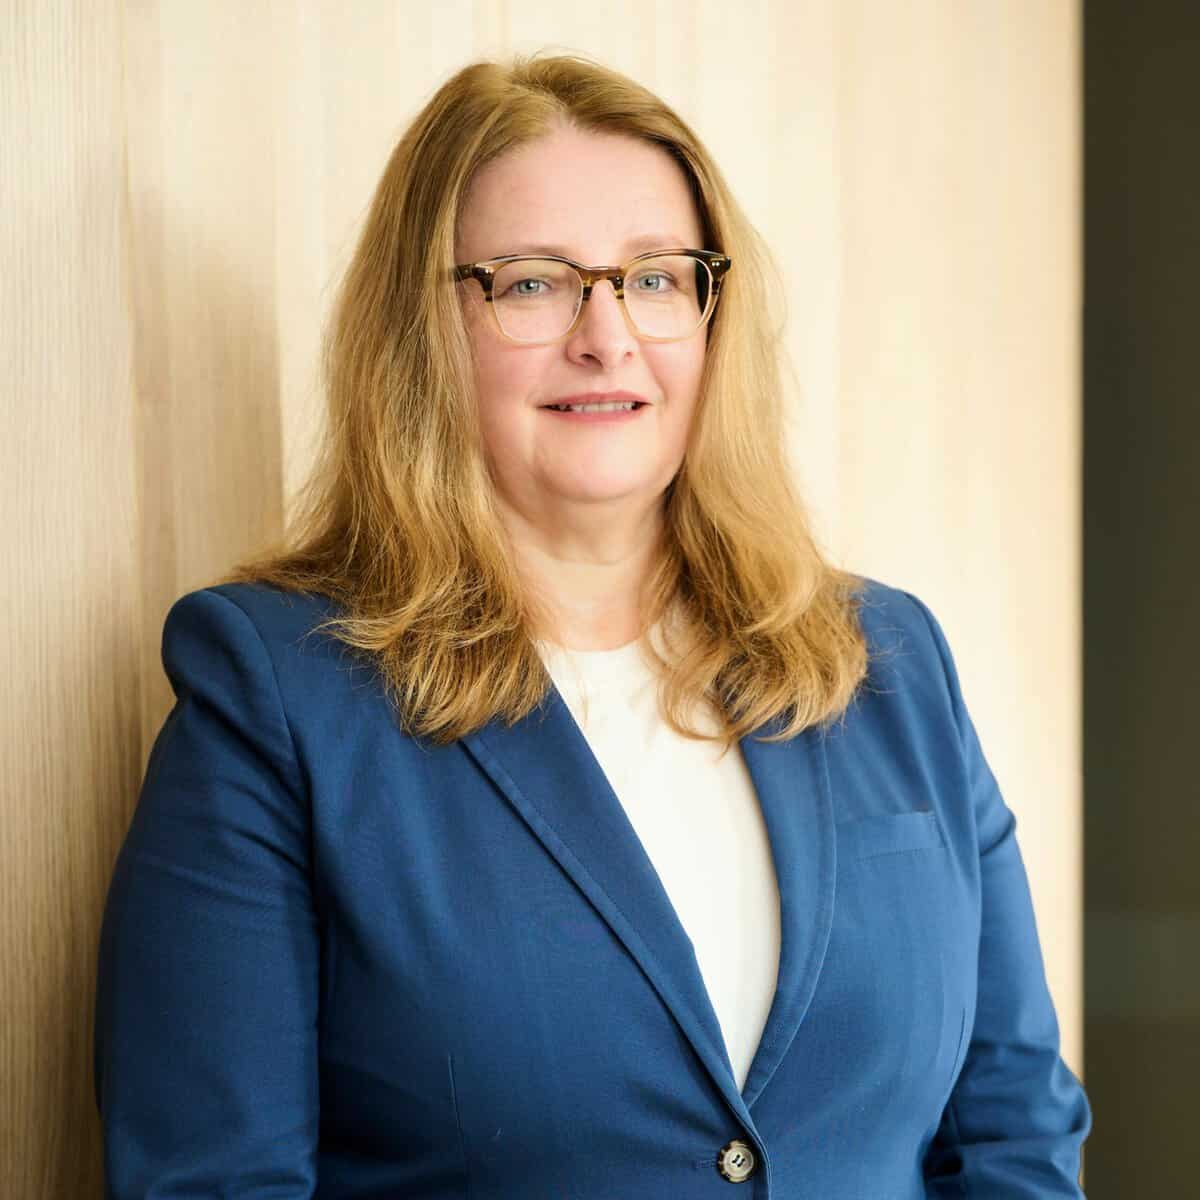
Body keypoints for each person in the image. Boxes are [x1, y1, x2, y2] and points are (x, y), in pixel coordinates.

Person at [93, 51, 1091, 1198]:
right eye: (532, 283)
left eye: (657, 278)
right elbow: (214, 1182)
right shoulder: (276, 693)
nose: (607, 336)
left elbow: (1013, 1131)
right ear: (424, 331)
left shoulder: (890, 662)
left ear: (715, 313)